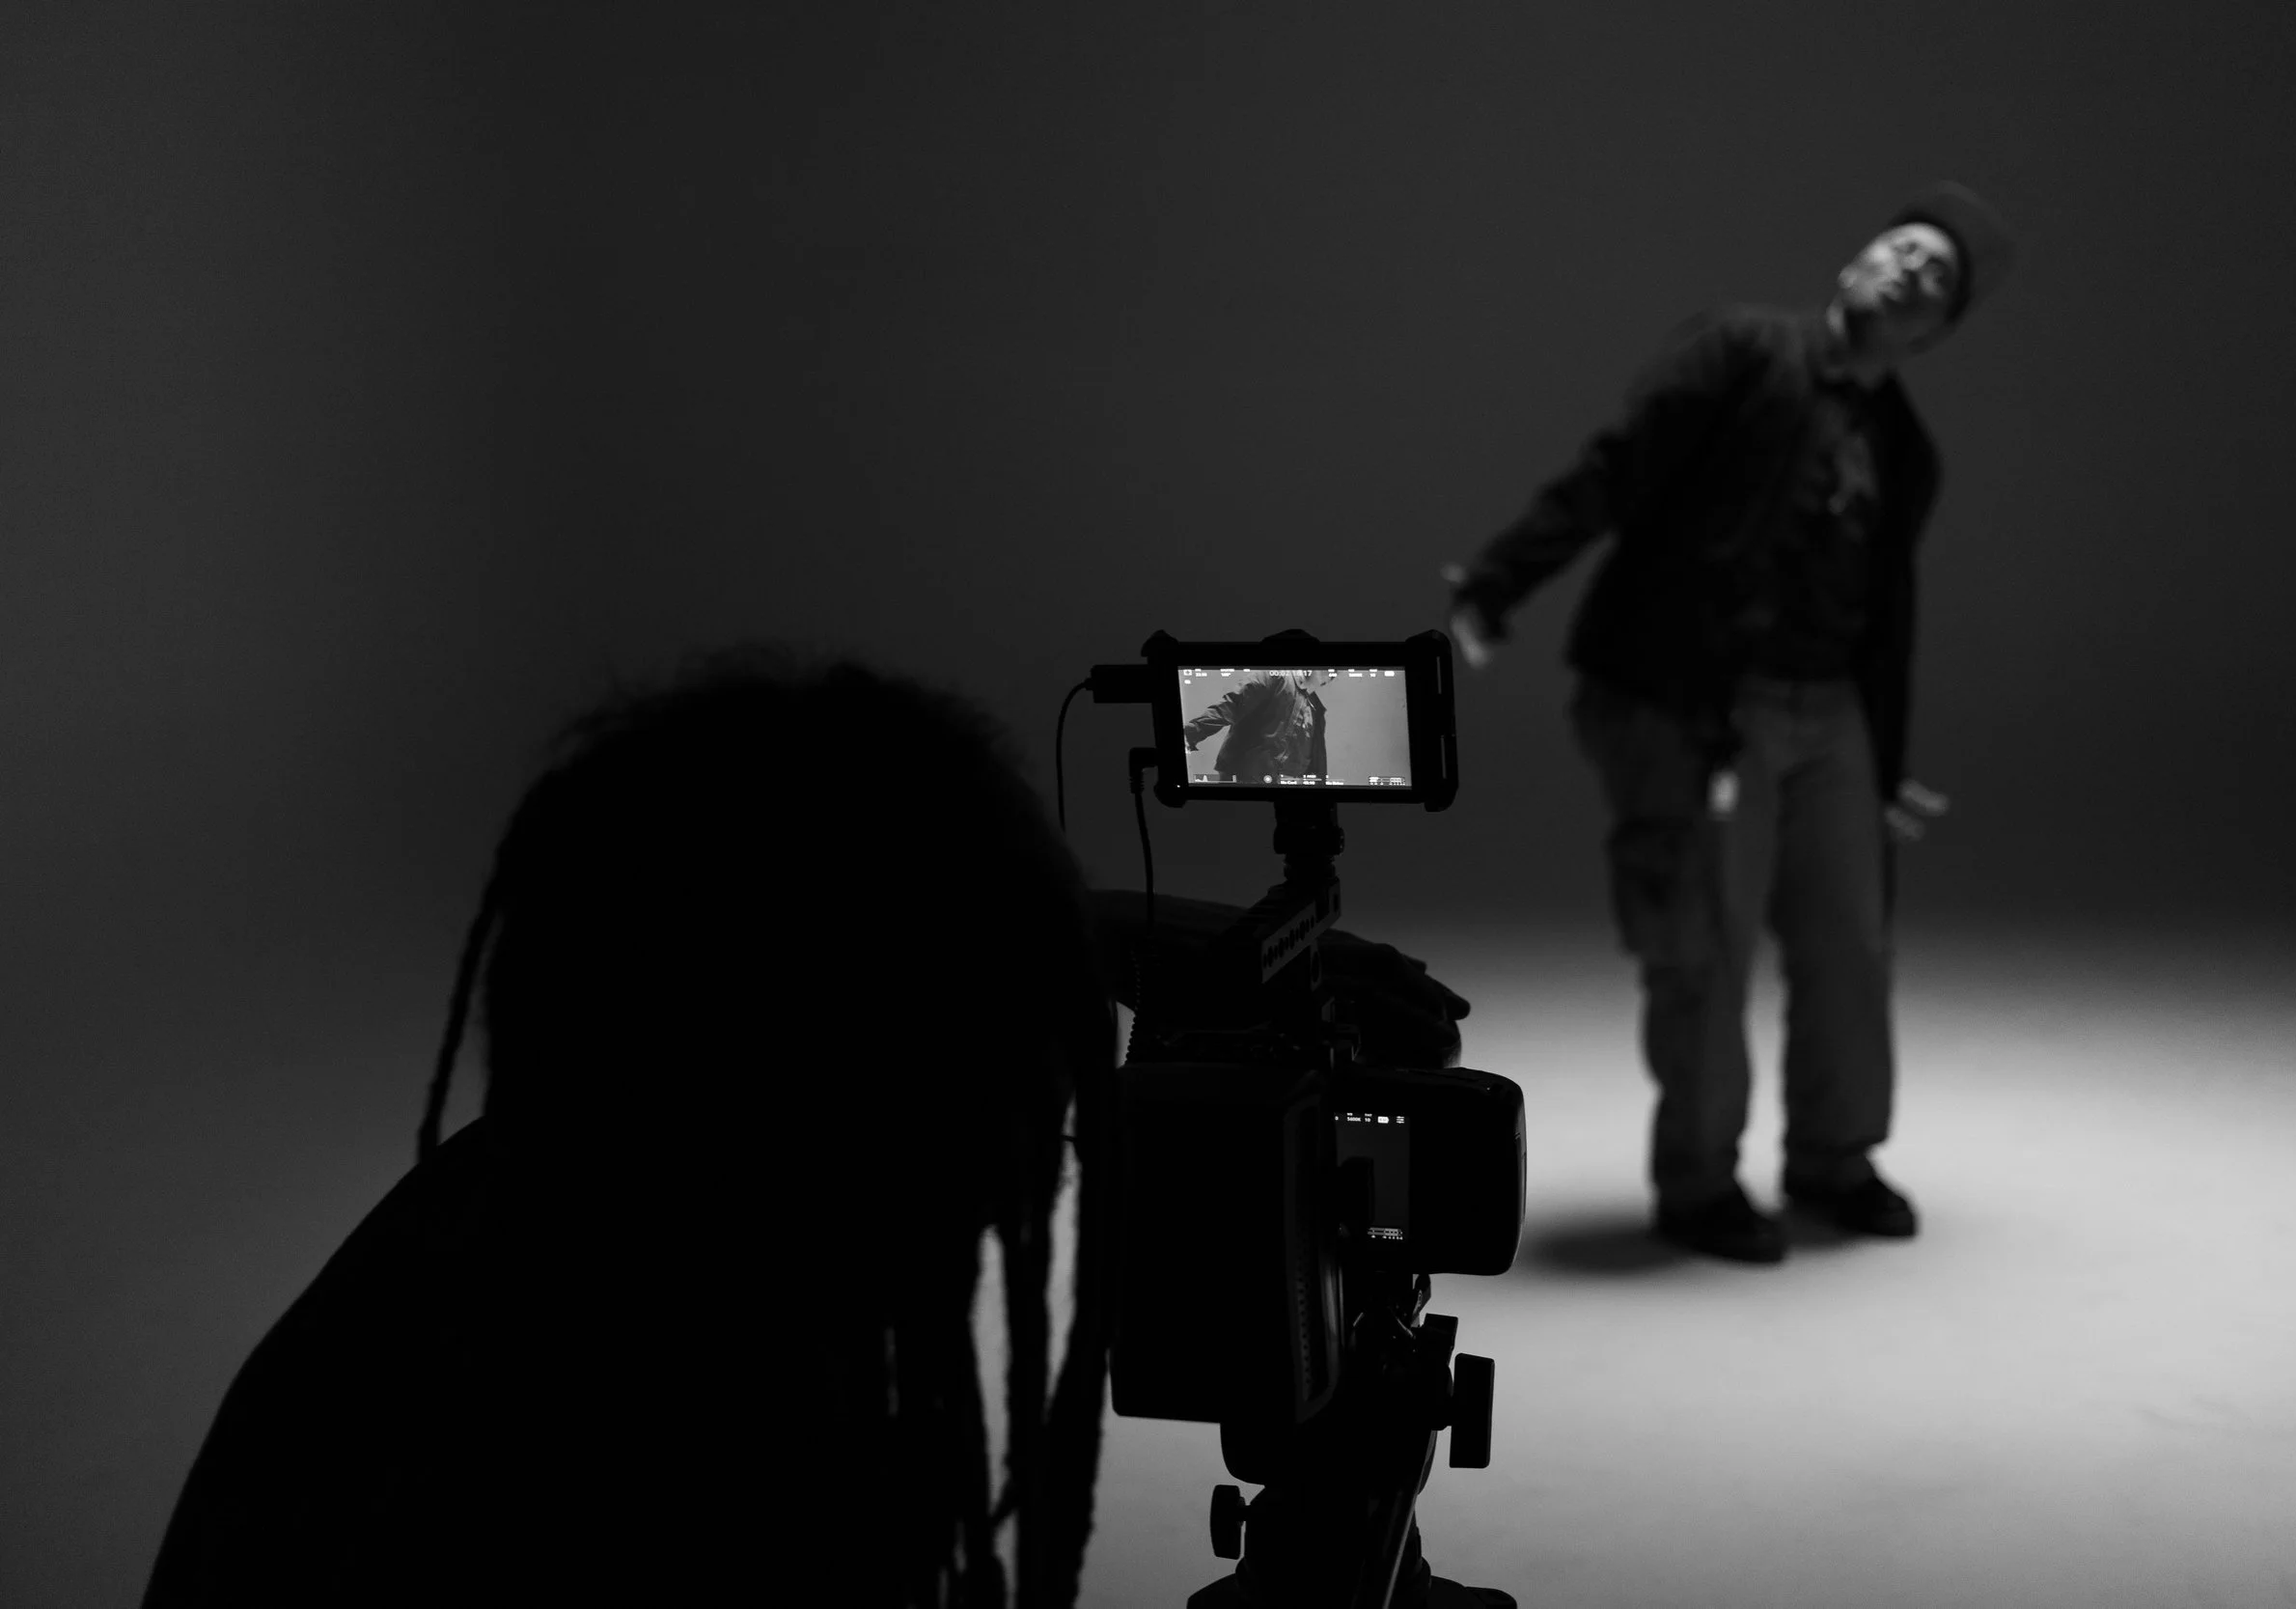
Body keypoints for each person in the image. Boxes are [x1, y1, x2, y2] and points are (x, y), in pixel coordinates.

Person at [142, 645, 1471, 1607]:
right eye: (1011, 1144)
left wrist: (1048, 929)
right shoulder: (716, 1505)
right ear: (873, 1180)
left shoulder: (467, 1253)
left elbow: (753, 932)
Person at [1444, 182, 2017, 1264]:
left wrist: (1881, 759)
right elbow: (1617, 467)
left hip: (1831, 713)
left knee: (1849, 942)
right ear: (1855, 261)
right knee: (1697, 947)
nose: (1906, 269)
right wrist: (1498, 579)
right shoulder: (1740, 349)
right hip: (1696, 704)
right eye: (1898, 246)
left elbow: (1882, 617)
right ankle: (1701, 1179)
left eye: (1934, 278)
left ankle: (1835, 1157)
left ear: (1936, 332)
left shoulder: (1906, 451)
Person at [1180, 666, 1335, 784]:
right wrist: (1188, 735)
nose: (1332, 674)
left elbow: (1315, 761)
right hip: (1245, 778)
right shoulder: (1274, 675)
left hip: (1285, 791)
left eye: (1335, 673)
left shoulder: (1316, 709)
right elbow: (1231, 705)